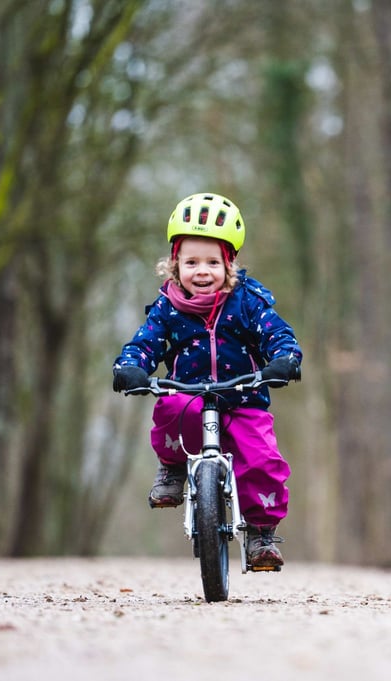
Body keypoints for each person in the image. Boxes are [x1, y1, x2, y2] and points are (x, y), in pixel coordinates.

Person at [112, 192, 302, 569]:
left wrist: (285, 358)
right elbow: (146, 342)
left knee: (263, 460)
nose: (202, 271)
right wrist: (130, 365)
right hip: (190, 395)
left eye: (213, 262)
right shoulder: (168, 307)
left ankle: (261, 535)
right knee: (169, 406)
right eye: (192, 261)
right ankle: (173, 467)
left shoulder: (247, 301)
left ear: (229, 264)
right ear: (174, 264)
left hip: (244, 396)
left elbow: (276, 333)